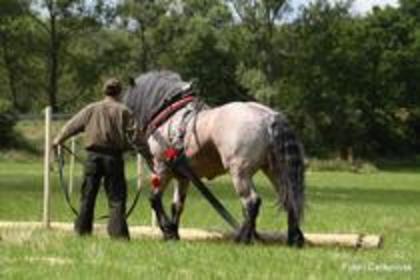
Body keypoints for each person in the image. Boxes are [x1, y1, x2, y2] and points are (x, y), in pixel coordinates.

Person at [53, 78, 137, 240]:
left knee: (88, 195)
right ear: (120, 93)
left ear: (104, 91)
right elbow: (136, 135)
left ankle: (82, 232)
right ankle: (118, 235)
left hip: (93, 157)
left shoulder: (91, 108)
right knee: (116, 197)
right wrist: (144, 150)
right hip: (114, 158)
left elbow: (72, 126)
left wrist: (57, 140)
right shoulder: (124, 111)